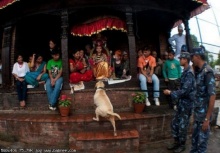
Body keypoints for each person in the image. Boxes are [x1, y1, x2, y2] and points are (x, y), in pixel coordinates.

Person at [164, 52, 196, 153]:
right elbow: (181, 85)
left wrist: (170, 92)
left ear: (186, 60)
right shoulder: (185, 72)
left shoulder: (189, 73)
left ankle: (182, 145)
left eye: (181, 58)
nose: (180, 60)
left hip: (187, 104)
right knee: (174, 123)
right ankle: (176, 142)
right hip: (181, 103)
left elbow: (185, 91)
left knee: (183, 125)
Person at [190, 47, 216, 153]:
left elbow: (212, 96)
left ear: (198, 57)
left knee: (201, 145)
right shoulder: (198, 71)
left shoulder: (208, 72)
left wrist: (207, 119)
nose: (191, 59)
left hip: (204, 116)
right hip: (197, 115)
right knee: (195, 142)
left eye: (193, 57)